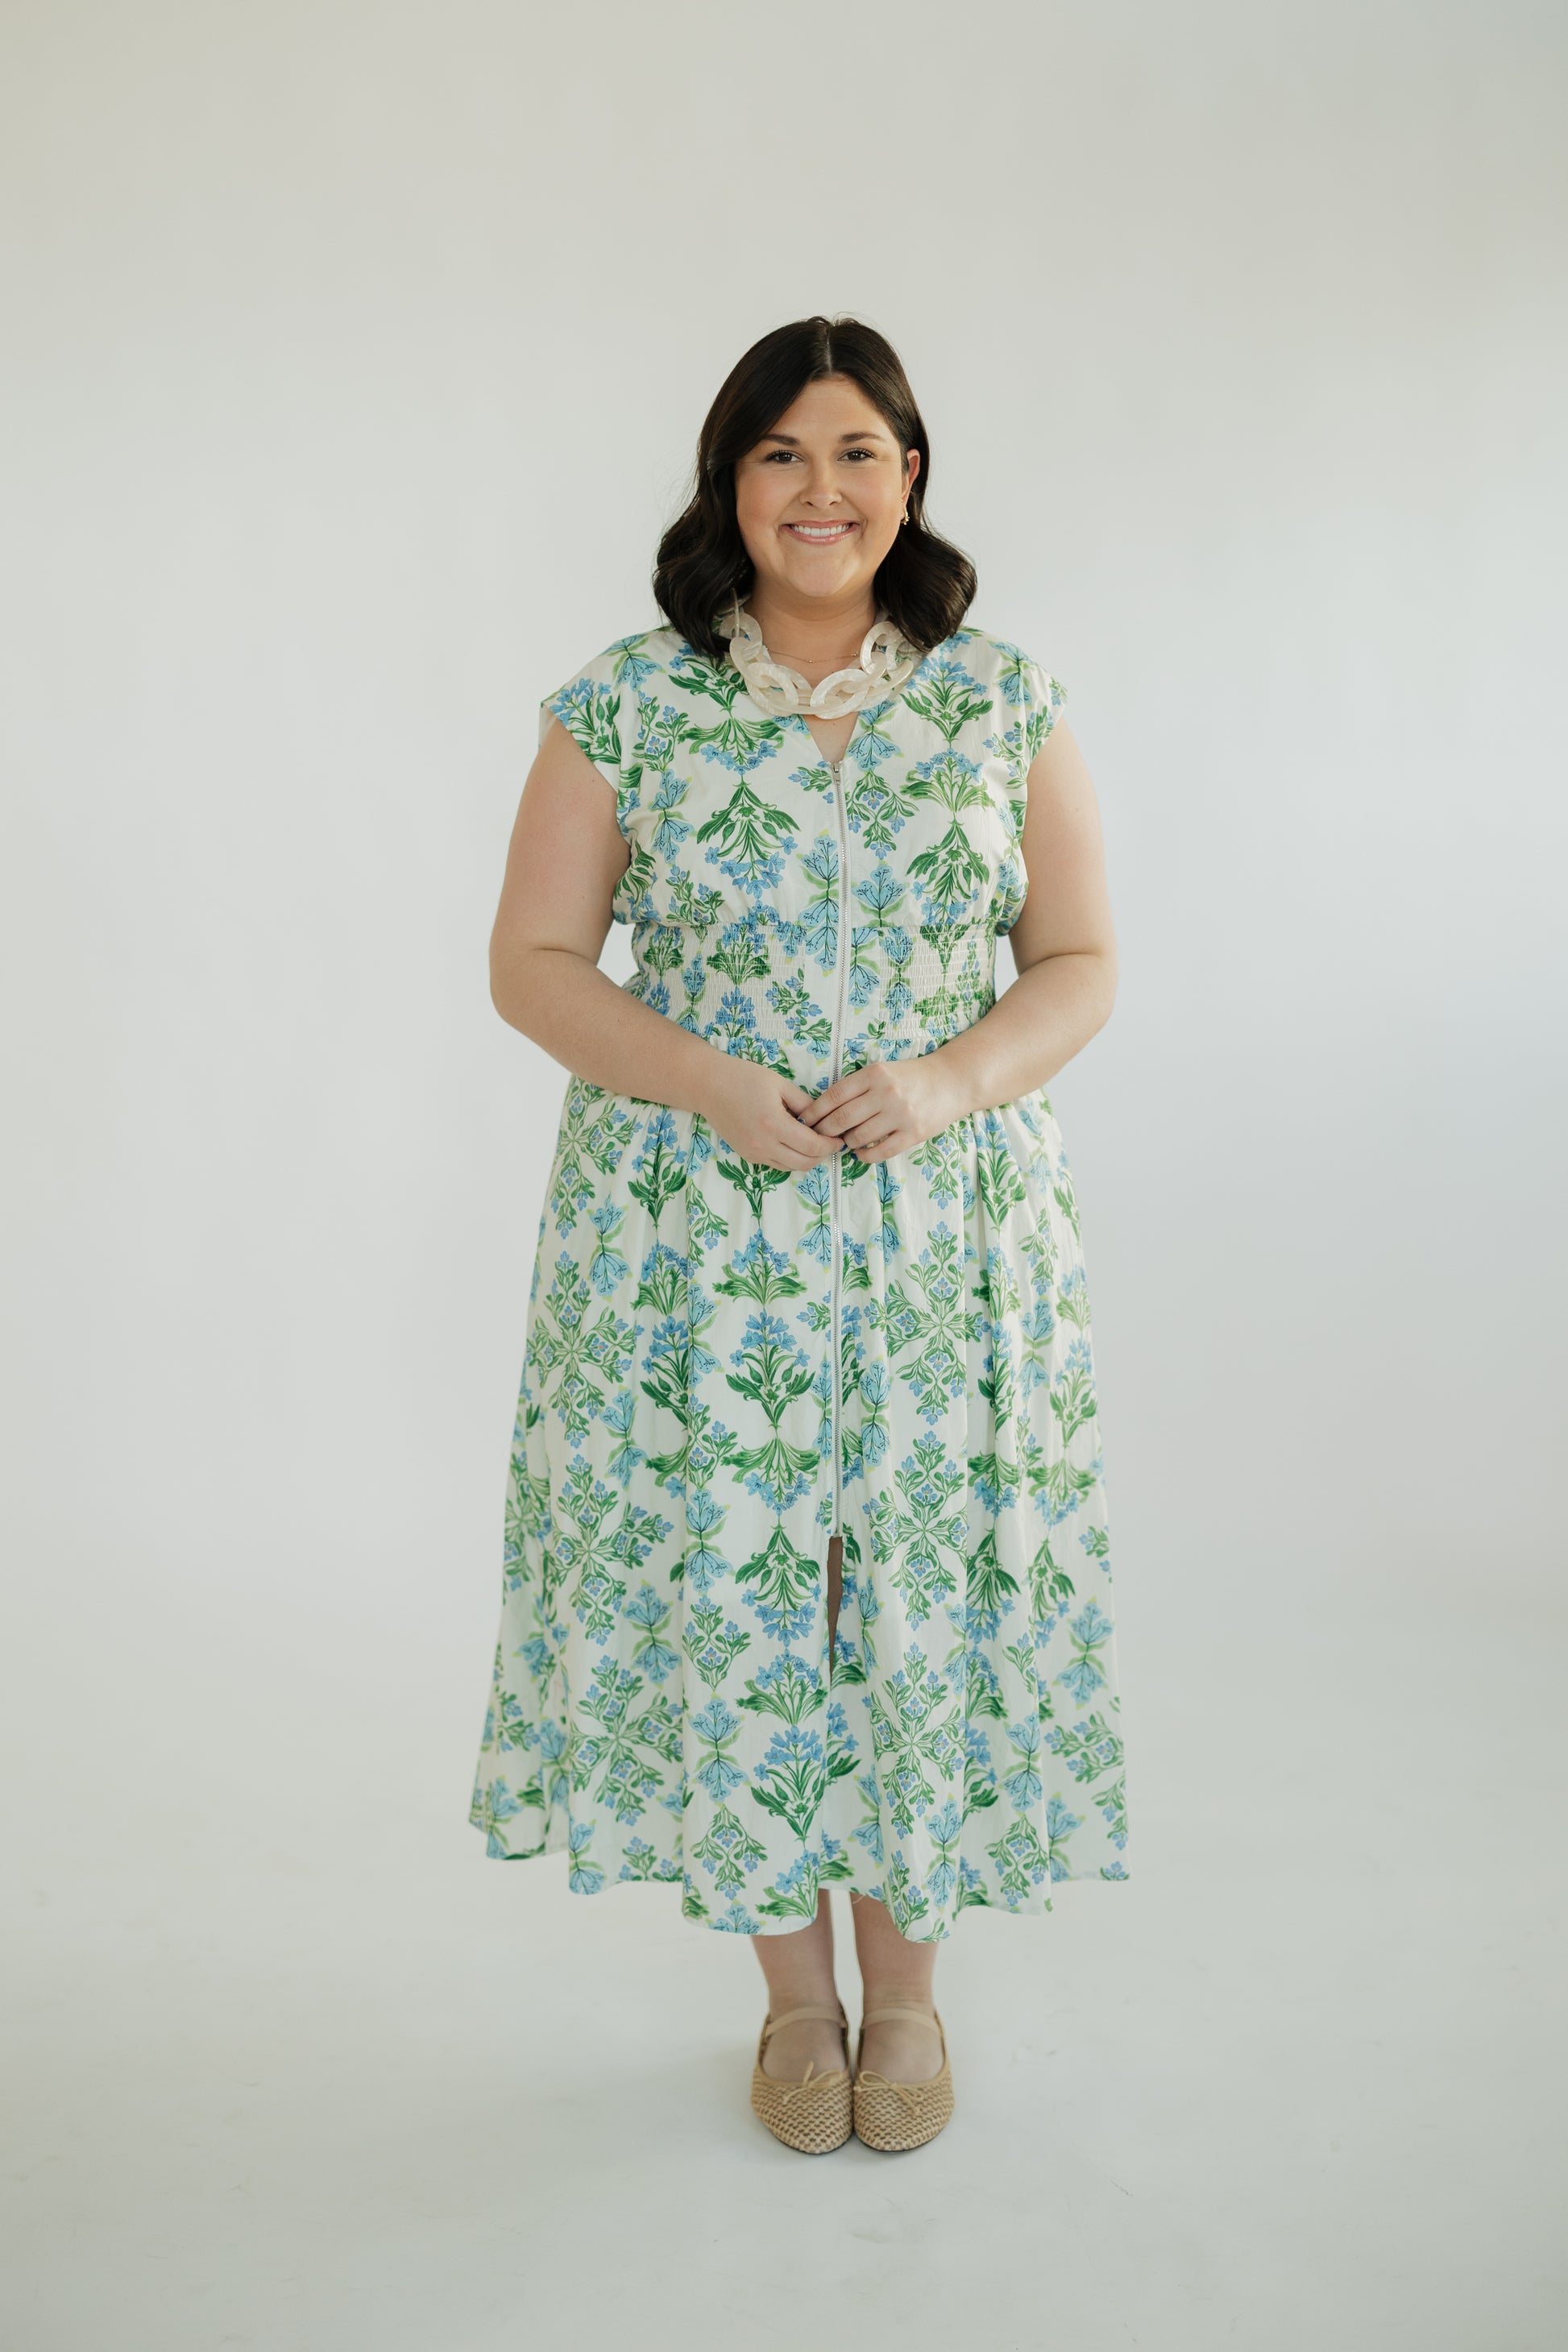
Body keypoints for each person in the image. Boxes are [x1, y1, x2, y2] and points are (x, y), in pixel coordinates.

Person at [469, 314, 1130, 2154]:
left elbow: (1079, 961)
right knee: (747, 1587)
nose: (817, 490)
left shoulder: (1003, 702)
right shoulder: (623, 705)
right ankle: (792, 2002)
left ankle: (905, 1997)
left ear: (908, 475)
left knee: (911, 1589)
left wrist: (947, 1078)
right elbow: (532, 962)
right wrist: (702, 1080)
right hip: (694, 1240)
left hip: (943, 1236)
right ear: (728, 483)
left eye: (852, 451)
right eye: (777, 453)